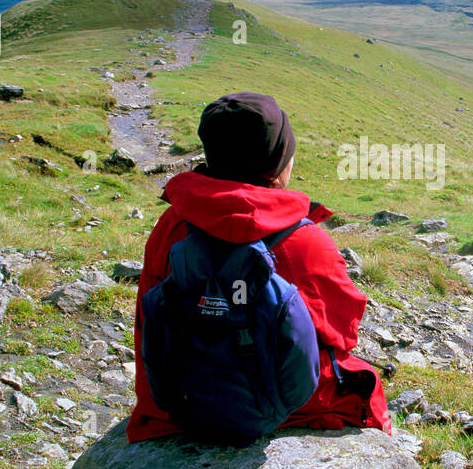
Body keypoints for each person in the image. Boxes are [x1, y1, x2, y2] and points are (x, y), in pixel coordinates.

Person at [127, 91, 391, 442]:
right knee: (360, 380)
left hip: (181, 399)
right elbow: (344, 332)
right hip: (278, 403)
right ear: (277, 164)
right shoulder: (304, 241)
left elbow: (148, 316)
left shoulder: (172, 224)